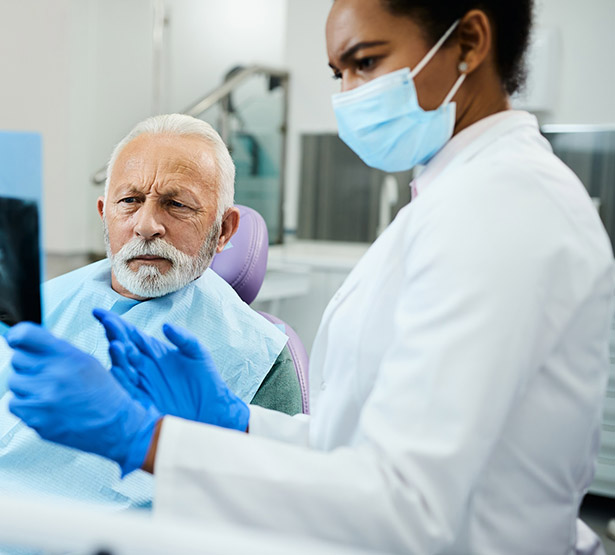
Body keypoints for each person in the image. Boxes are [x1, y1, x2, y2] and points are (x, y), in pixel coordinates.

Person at [5, 0, 614, 553]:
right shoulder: (453, 201)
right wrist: (237, 422)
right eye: (336, 73)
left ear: (470, 42)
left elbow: (408, 505)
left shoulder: (501, 213)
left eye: (366, 62)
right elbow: (360, 447)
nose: (348, 94)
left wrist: (143, 440)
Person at [0, 114, 301, 510]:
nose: (146, 225)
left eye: (176, 204)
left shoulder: (259, 355)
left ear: (224, 229)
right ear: (104, 214)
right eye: (130, 201)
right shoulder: (39, 304)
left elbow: (276, 508)